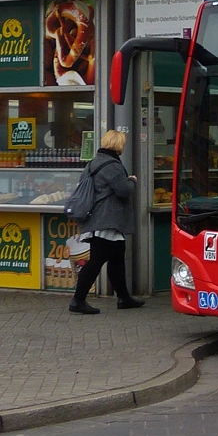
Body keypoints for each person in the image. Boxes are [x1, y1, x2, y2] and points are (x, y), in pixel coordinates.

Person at [69, 130, 144, 314]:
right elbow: (123, 191)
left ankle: (123, 297)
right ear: (119, 145)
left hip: (100, 219)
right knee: (97, 260)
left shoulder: (94, 162)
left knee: (117, 257)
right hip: (106, 221)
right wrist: (132, 181)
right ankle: (78, 300)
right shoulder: (112, 165)